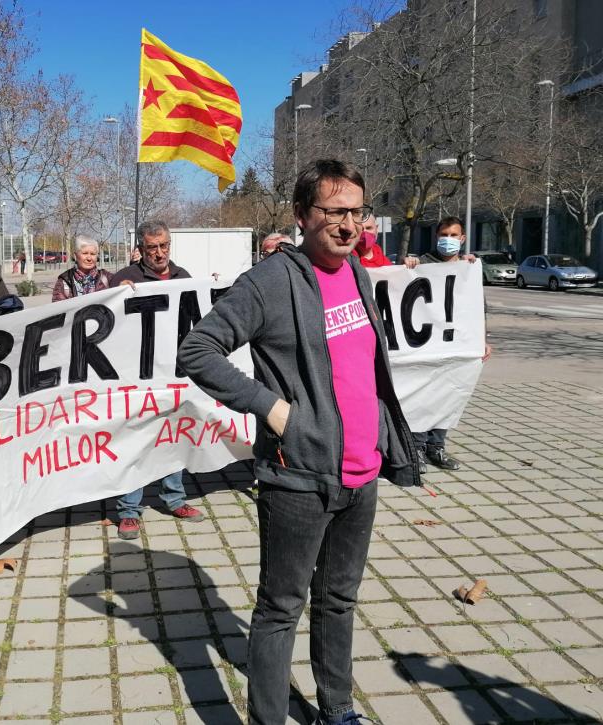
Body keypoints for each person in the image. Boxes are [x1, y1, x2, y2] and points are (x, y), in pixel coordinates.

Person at [178, 159, 421, 725]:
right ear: (301, 215)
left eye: (357, 212)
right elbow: (198, 350)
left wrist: (385, 438)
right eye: (334, 211)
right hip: (299, 477)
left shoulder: (359, 275)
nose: (348, 225)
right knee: (281, 608)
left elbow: (362, 369)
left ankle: (337, 710)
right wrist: (275, 409)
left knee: (339, 600)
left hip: (361, 473)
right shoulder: (270, 281)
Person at [109, 220, 203, 539]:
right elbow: (100, 315)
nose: (160, 253)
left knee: (172, 436)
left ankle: (175, 498)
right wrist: (114, 295)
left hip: (173, 373)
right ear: (141, 248)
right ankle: (129, 510)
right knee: (135, 439)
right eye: (153, 248)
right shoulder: (125, 278)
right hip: (136, 377)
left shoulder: (183, 277)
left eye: (164, 246)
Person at [411, 216, 491, 471]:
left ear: (463, 238)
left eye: (454, 235)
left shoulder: (469, 267)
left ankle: (437, 447)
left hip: (455, 343)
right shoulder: (423, 263)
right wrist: (408, 265)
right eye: (444, 234)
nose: (449, 240)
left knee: (447, 396)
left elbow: (478, 307)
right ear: (437, 237)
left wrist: (483, 340)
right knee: (425, 396)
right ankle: (417, 448)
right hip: (427, 343)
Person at [51, 234, 113, 301]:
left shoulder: (106, 277)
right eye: (85, 253)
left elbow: (121, 283)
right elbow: (59, 309)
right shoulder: (64, 282)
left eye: (93, 254)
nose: (89, 258)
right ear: (75, 256)